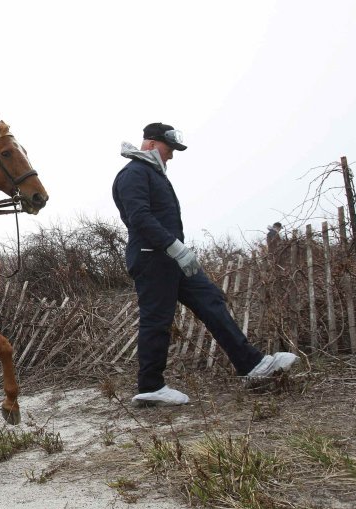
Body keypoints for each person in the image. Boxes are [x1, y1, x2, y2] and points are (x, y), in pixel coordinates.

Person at [111, 122, 298, 406]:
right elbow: (139, 217)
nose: (171, 155)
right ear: (150, 144)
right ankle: (151, 387)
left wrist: (178, 252)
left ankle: (251, 365)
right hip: (153, 258)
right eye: (168, 148)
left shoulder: (154, 173)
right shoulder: (133, 173)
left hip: (171, 259)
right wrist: (174, 246)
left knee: (210, 300)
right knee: (157, 319)